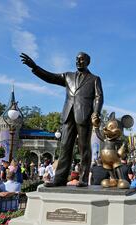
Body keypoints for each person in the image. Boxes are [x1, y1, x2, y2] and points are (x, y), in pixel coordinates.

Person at [21, 52, 103, 187]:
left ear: (88, 62)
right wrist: (35, 67)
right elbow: (50, 77)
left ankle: (83, 179)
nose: (78, 61)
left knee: (84, 148)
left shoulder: (94, 79)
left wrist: (96, 113)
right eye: (77, 59)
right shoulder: (68, 76)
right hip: (68, 115)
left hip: (84, 116)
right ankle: (59, 179)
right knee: (64, 147)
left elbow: (99, 97)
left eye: (81, 59)